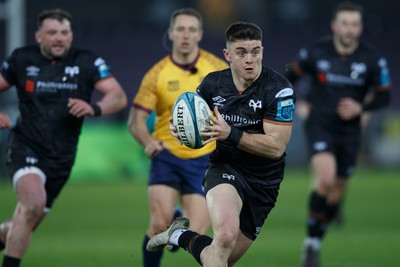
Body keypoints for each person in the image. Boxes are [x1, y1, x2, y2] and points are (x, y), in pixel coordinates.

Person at [147, 21, 296, 267]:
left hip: (265, 183)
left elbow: (276, 147)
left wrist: (231, 134)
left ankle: (178, 235)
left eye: (255, 51)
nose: (250, 59)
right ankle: (179, 235)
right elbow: (193, 119)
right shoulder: (212, 84)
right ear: (227, 55)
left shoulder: (278, 89)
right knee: (225, 236)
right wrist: (181, 130)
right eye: (241, 52)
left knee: (219, 257)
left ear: (262, 51)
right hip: (226, 169)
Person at [0, 9, 127, 267]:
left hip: (61, 159)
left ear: (71, 35)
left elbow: (118, 96)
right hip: (26, 145)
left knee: (20, 226)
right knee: (34, 203)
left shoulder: (87, 62)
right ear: (38, 36)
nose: (59, 38)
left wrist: (94, 108)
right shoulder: (22, 59)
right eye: (52, 32)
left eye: (64, 32)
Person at [285, 2, 391, 266]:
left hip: (350, 133)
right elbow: (288, 78)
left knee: (335, 192)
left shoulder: (372, 58)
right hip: (320, 125)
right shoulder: (314, 52)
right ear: (334, 26)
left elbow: (384, 96)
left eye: (354, 24)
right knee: (325, 178)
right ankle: (309, 245)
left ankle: (317, 238)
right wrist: (296, 104)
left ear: (360, 28)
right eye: (344, 23)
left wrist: (361, 107)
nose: (349, 29)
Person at [127, 8, 228, 267]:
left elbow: (233, 110)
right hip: (167, 156)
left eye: (191, 29)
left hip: (205, 159)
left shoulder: (217, 69)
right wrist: (149, 142)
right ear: (170, 33)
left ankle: (175, 227)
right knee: (158, 225)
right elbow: (135, 121)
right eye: (180, 29)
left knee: (195, 233)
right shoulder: (157, 73)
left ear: (200, 34)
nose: (186, 35)